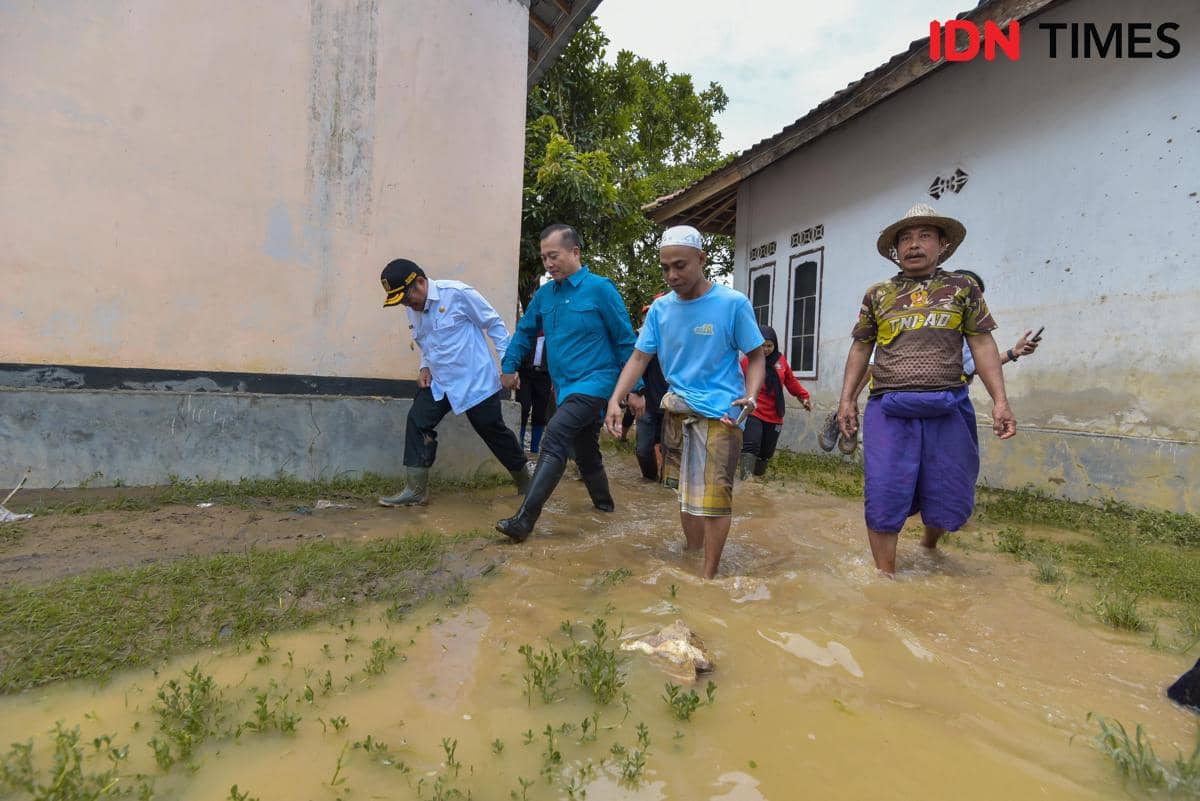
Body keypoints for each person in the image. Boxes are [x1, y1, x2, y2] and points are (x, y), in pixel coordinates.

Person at [836, 203, 1017, 576]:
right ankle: (886, 577)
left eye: (924, 236)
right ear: (895, 249)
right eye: (905, 238)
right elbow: (860, 347)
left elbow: (982, 344)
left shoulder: (962, 289)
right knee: (884, 493)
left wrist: (1001, 401)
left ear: (942, 244)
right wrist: (846, 401)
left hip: (949, 406)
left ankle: (929, 545)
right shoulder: (878, 294)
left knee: (950, 490)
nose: (913, 245)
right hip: (889, 407)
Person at [606, 225, 765, 579]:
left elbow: (756, 356)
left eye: (680, 266)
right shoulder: (660, 310)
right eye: (665, 268)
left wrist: (751, 397)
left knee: (713, 500)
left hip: (723, 412)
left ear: (701, 260)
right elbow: (638, 359)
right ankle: (693, 559)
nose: (672, 275)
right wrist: (615, 399)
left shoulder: (732, 304)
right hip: (677, 410)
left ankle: (708, 577)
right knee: (685, 494)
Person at [495, 224, 641, 542]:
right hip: (563, 388)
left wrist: (636, 389)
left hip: (597, 383)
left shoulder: (601, 289)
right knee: (585, 451)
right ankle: (605, 509)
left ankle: (524, 521)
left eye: (554, 256)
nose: (548, 264)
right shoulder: (545, 295)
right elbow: (524, 332)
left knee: (555, 437)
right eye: (544, 257)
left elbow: (625, 341)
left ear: (575, 252)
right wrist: (508, 366)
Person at [819, 268, 1042, 453]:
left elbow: (978, 363)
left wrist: (1013, 353)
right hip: (892, 401)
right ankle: (844, 421)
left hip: (942, 403)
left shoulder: (965, 335)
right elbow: (869, 358)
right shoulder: (911, 318)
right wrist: (848, 400)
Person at [377, 259, 530, 507]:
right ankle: (416, 491)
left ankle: (526, 483)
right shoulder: (412, 308)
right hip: (441, 382)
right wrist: (424, 366)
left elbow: (495, 325)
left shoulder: (457, 293)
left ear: (420, 282)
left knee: (491, 429)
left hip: (474, 379)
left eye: (407, 298)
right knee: (418, 421)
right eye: (402, 302)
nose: (406, 304)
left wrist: (508, 366)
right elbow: (426, 341)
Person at [739, 325, 811, 479]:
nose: (765, 349)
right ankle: (746, 482)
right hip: (753, 410)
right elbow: (735, 381)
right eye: (762, 345)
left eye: (769, 346)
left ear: (775, 345)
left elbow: (791, 381)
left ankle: (758, 480)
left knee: (766, 452)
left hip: (774, 414)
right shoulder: (747, 361)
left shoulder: (781, 361)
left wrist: (804, 397)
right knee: (751, 445)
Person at [632, 294, 670, 481]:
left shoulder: (680, 336)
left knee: (671, 449)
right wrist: (633, 392)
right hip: (647, 400)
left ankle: (666, 484)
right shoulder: (640, 337)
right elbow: (632, 365)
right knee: (643, 449)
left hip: (673, 402)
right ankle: (650, 481)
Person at [515, 327, 552, 455]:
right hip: (525, 373)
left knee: (540, 413)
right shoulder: (528, 331)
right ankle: (519, 444)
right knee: (523, 407)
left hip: (544, 376)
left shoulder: (553, 332)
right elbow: (518, 349)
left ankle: (534, 449)